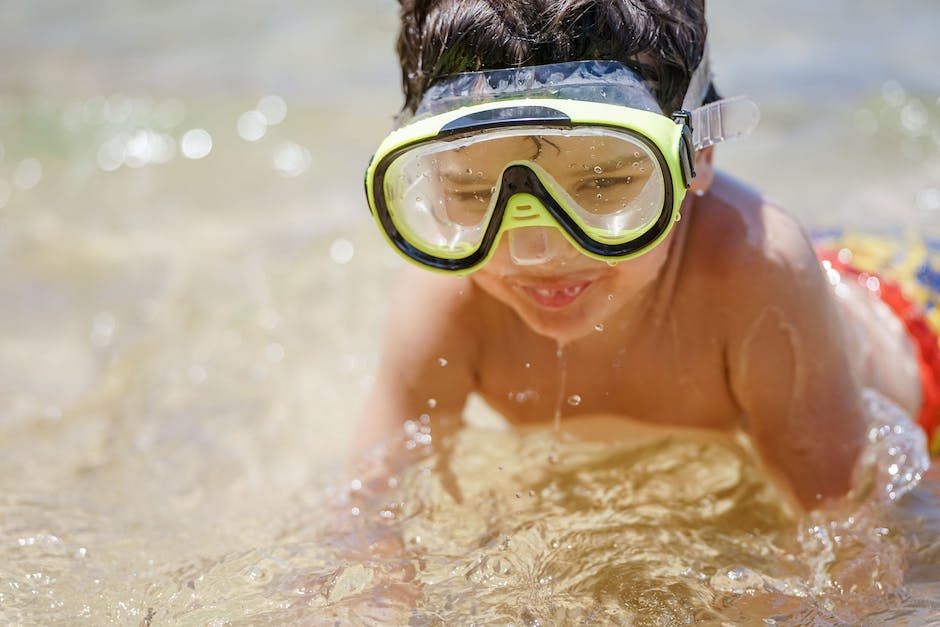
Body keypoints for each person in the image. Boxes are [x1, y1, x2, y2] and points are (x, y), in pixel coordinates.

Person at [353, 0, 935, 513]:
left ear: (699, 151)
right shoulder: (449, 294)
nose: (535, 249)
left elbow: (843, 534)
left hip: (911, 317)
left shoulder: (757, 274)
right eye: (475, 193)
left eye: (603, 182)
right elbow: (370, 510)